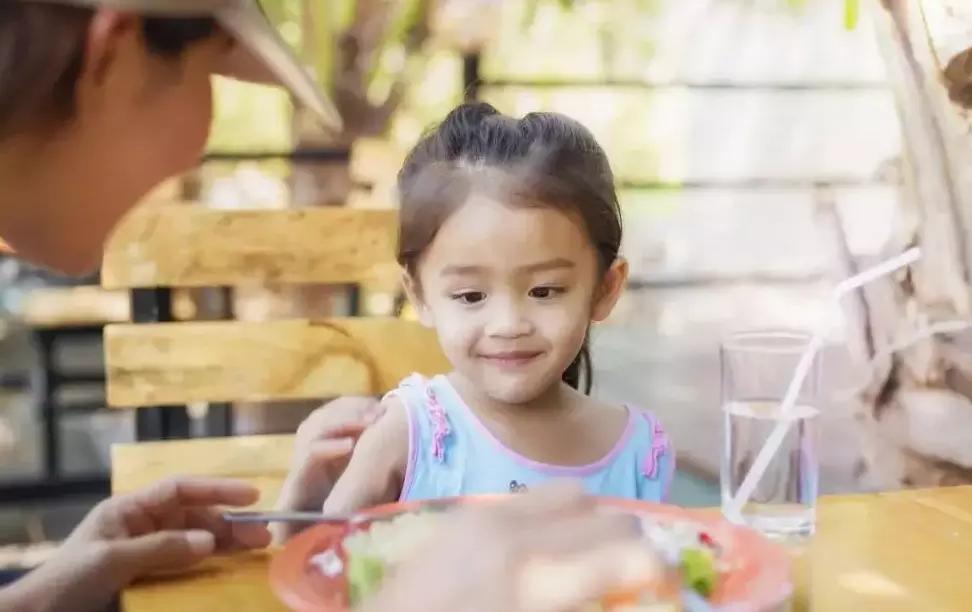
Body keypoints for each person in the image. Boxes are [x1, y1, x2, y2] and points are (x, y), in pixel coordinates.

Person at [0, 2, 660, 611]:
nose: (203, 134)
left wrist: (55, 583)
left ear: (605, 287)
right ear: (109, 58)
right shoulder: (419, 425)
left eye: (544, 289)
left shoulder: (635, 444)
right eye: (210, 72)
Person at [278, 103, 675, 523]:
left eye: (544, 291)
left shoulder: (639, 453)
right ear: (421, 295)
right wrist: (299, 502)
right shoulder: (409, 433)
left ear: (605, 288)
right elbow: (323, 568)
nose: (508, 325)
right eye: (470, 296)